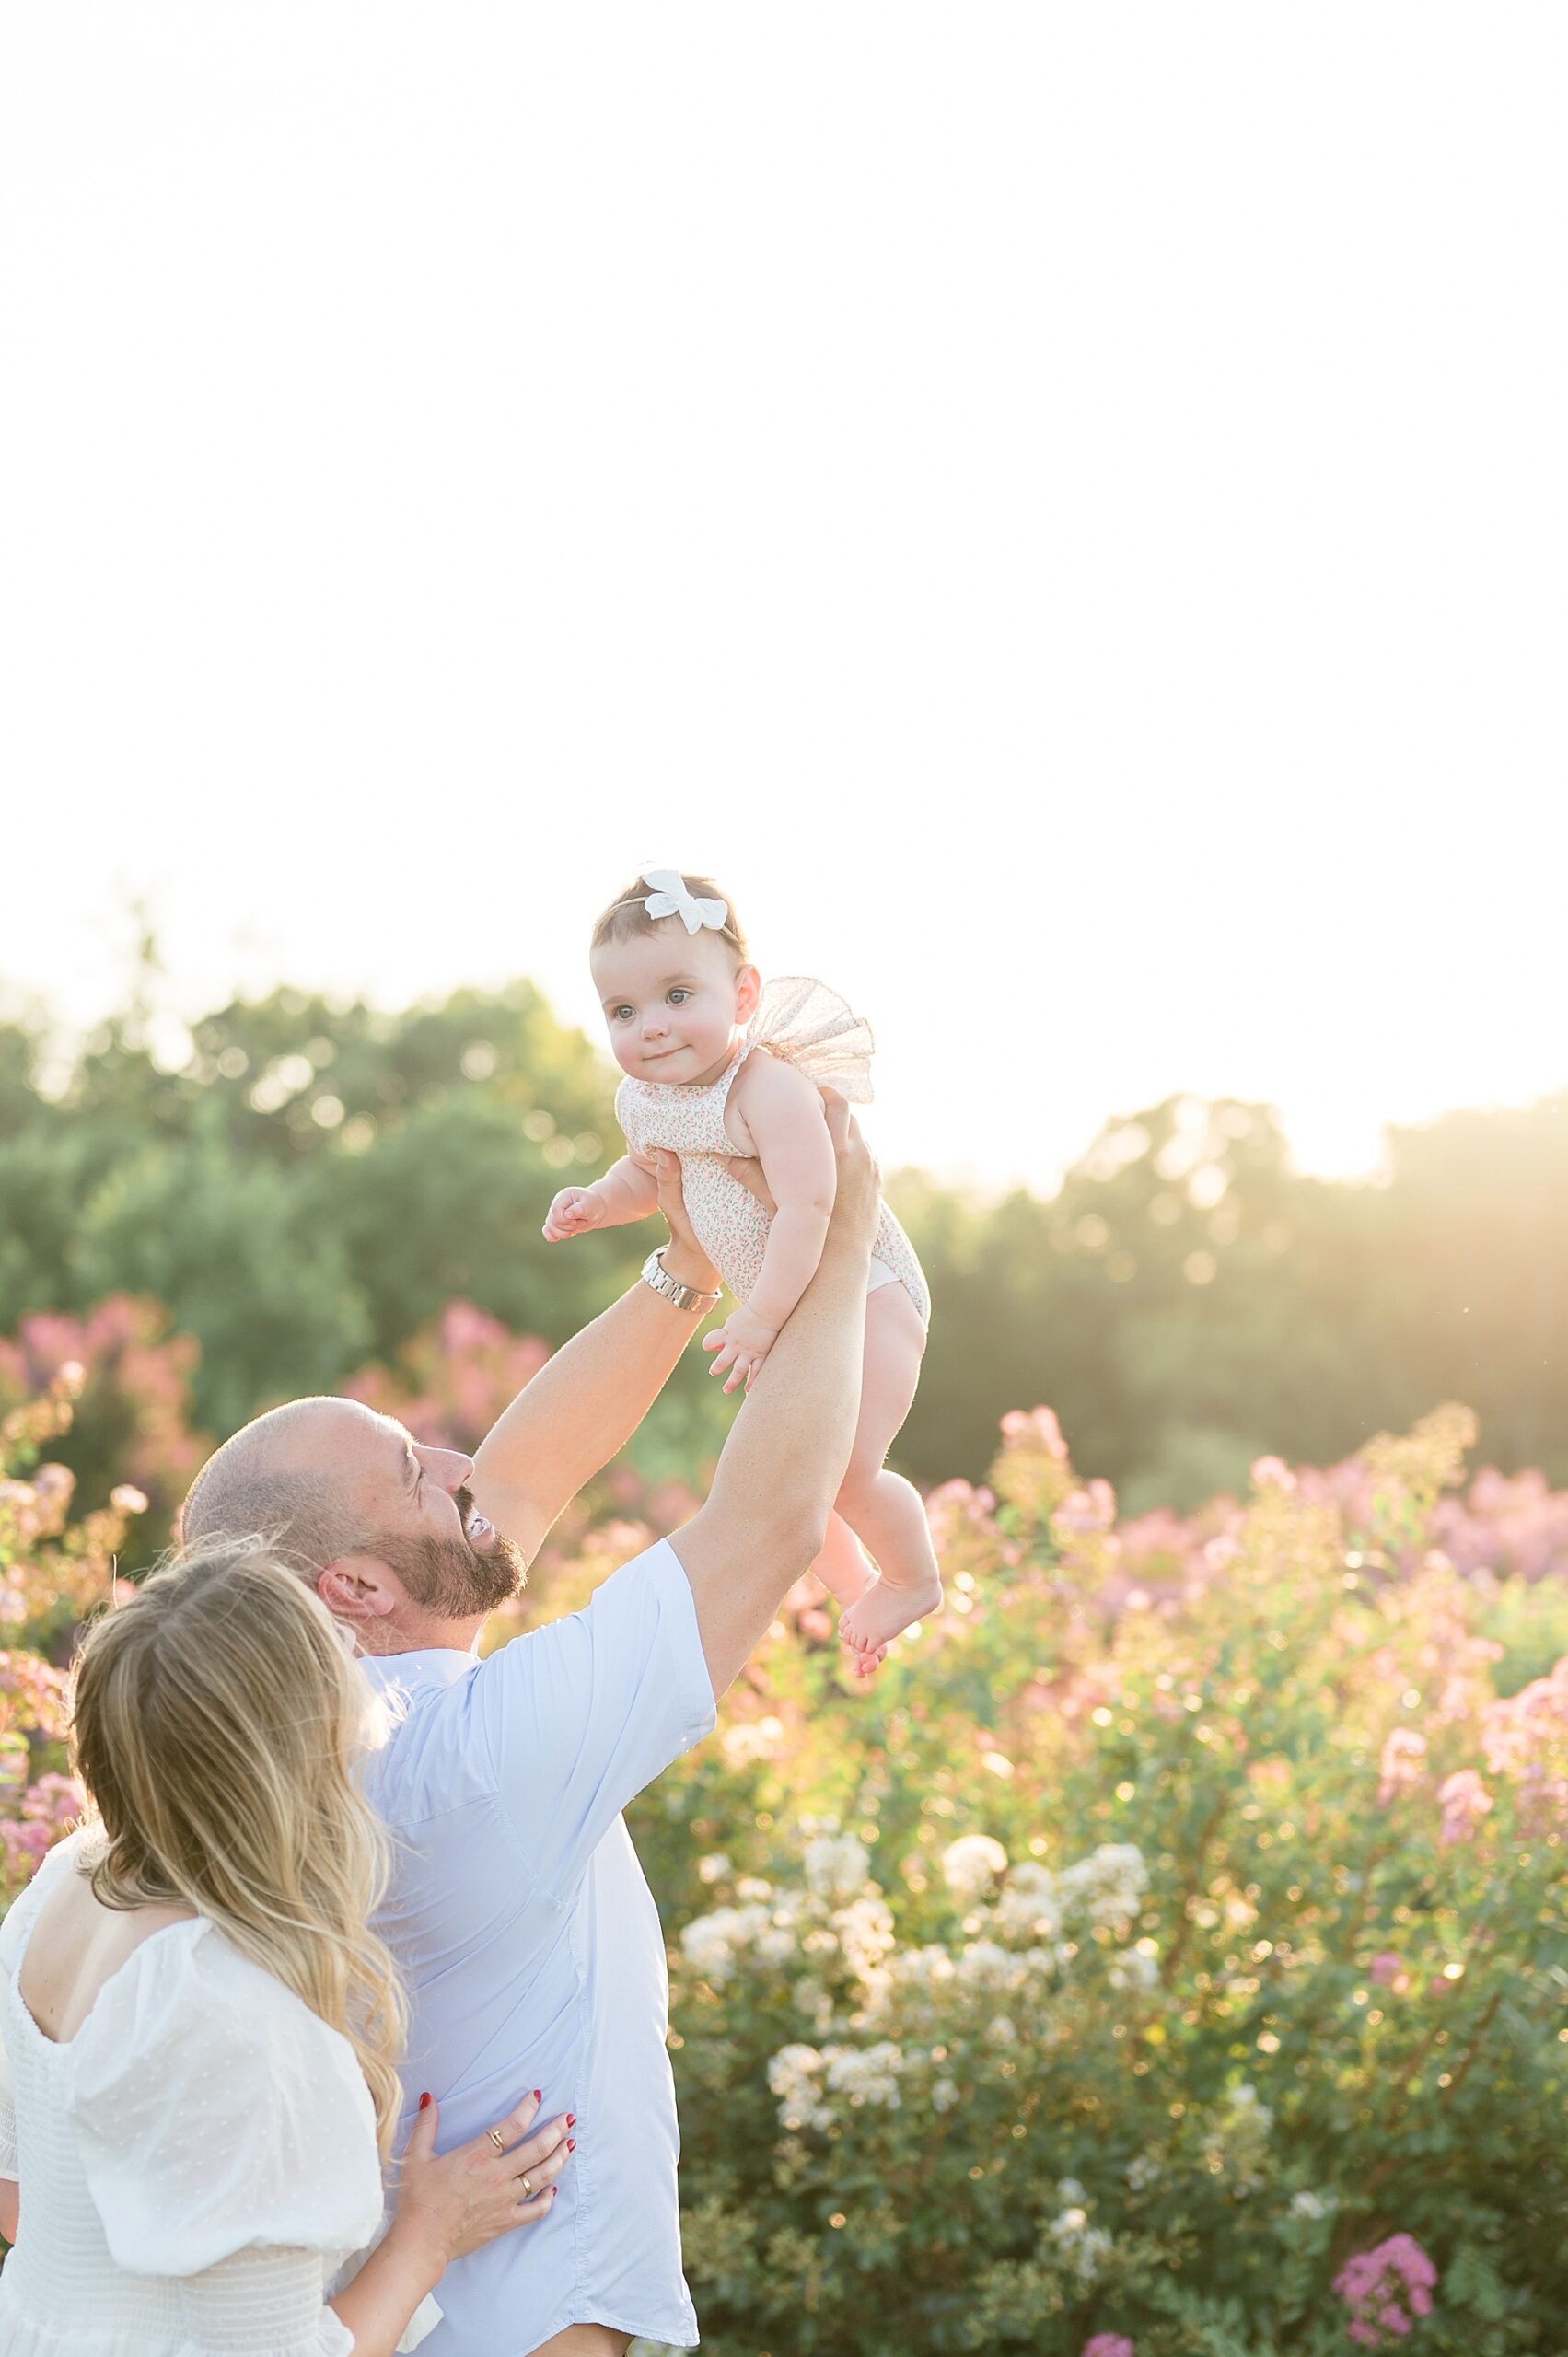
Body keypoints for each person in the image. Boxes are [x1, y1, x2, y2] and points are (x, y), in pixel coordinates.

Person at [179, 1101, 882, 2357]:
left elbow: (520, 1483)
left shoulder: (325, 1743)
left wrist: (690, 1265)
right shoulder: (465, 1761)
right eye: (410, 1469)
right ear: (355, 1590)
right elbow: (768, 1523)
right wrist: (837, 1235)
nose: (457, 1458)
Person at [0, 1537, 575, 2355]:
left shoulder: (66, 1883)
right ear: (292, 1757)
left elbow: (21, 2197)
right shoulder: (230, 2008)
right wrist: (429, 2233)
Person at [544, 866, 941, 1667]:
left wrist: (758, 1319)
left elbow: (811, 1208)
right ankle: (857, 1592)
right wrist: (597, 1200)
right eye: (623, 1011)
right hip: (786, 1317)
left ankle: (913, 1579)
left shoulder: (769, 1088)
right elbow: (649, 1178)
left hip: (868, 1294)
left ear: (745, 994)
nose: (650, 1027)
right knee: (800, 1479)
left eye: (677, 997)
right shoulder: (646, 1099)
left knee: (851, 1467)